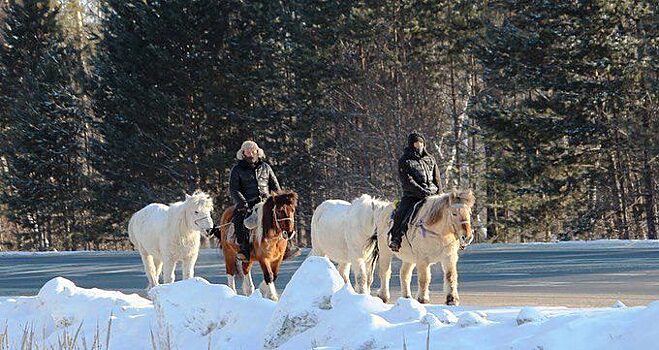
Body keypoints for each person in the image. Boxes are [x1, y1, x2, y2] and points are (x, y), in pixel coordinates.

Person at [227, 140, 299, 260]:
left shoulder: (266, 167)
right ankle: (244, 249)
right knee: (239, 220)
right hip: (247, 203)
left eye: (253, 150)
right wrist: (242, 202)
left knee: (283, 215)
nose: (250, 153)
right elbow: (234, 189)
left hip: (267, 202)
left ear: (257, 152)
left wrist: (278, 199)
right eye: (247, 151)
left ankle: (287, 247)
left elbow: (275, 186)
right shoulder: (237, 169)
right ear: (243, 153)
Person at [388, 132, 442, 252]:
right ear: (411, 144)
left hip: (433, 195)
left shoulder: (430, 159)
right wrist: (422, 192)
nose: (419, 145)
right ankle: (396, 238)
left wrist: (440, 193)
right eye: (416, 143)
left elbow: (437, 178)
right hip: (413, 195)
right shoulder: (405, 160)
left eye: (421, 142)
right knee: (401, 213)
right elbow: (407, 181)